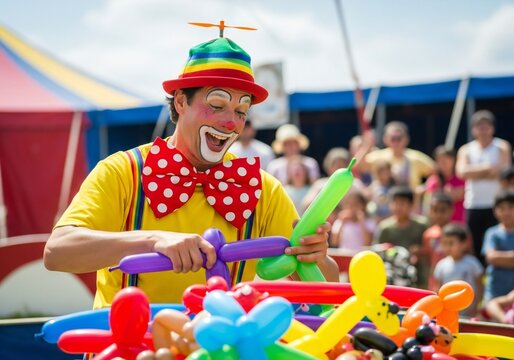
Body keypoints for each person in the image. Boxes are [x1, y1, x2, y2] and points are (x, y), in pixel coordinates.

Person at [43, 34, 338, 308]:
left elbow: (325, 285)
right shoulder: (124, 172)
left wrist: (316, 256)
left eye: (240, 111)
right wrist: (152, 240)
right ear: (182, 101)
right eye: (217, 105)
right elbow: (58, 252)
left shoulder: (260, 187)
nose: (230, 123)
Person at [456, 110, 512, 264]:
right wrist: (488, 168)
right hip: (474, 204)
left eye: (486, 126)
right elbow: (461, 172)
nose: (483, 130)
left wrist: (475, 172)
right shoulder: (466, 149)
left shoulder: (501, 146)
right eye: (479, 126)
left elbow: (504, 171)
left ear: (492, 128)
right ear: (473, 129)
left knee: (499, 244)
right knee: (474, 246)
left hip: (497, 205)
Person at [374, 186, 428, 287]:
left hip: (417, 278)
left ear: (411, 205)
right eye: (395, 203)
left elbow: (428, 249)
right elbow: (378, 252)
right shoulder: (385, 228)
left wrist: (419, 252)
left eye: (402, 203)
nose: (398, 207)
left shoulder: (422, 226)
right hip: (392, 278)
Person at [364, 121, 434, 191]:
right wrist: (367, 145)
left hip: (411, 200)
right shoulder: (378, 156)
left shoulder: (415, 157)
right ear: (385, 139)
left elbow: (436, 173)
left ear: (406, 139)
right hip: (383, 200)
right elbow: (356, 168)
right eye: (393, 138)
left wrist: (425, 188)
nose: (396, 142)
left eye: (399, 138)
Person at [433, 223, 484, 317]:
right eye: (445, 243)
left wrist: (476, 306)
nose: (448, 247)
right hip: (448, 312)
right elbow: (438, 289)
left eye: (451, 243)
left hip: (469, 312)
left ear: (464, 244)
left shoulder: (472, 263)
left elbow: (480, 286)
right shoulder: (441, 265)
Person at [481, 190, 514, 303]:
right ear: (495, 211)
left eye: (510, 207)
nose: (506, 212)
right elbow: (491, 258)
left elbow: (496, 258)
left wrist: (502, 259)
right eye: (502, 208)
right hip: (494, 292)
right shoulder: (492, 233)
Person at [422, 192, 455, 292]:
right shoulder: (429, 234)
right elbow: (428, 257)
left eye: (443, 210)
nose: (439, 214)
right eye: (435, 210)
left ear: (451, 210)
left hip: (454, 277)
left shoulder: (458, 231)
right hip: (435, 279)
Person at [422, 146, 465, 223]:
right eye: (439, 160)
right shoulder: (433, 180)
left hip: (459, 221)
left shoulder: (462, 178)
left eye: (446, 160)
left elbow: (462, 194)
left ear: (453, 160)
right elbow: (430, 201)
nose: (443, 163)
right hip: (439, 224)